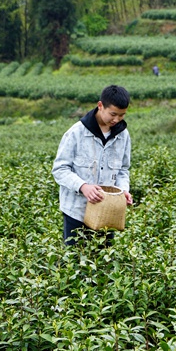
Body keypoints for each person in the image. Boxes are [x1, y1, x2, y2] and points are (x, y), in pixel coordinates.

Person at [52, 85, 133, 246]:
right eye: (113, 114)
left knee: (104, 263)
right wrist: (83, 186)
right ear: (100, 106)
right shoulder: (76, 133)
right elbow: (60, 169)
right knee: (74, 261)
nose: (116, 120)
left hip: (107, 211)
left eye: (122, 115)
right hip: (77, 212)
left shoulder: (123, 135)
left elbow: (123, 169)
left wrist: (124, 190)